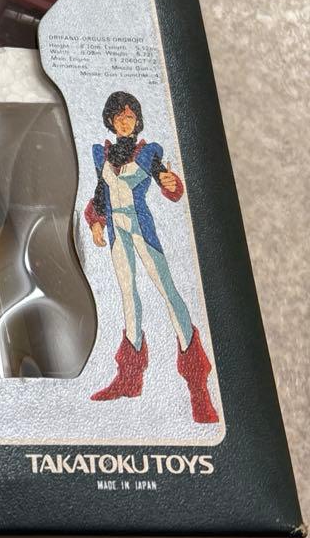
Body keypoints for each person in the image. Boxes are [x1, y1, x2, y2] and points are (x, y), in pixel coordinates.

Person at [85, 91, 219, 423]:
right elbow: (101, 191)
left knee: (168, 292)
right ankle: (129, 379)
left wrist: (169, 181)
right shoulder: (102, 153)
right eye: (118, 117)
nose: (124, 121)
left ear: (137, 121)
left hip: (141, 230)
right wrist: (96, 221)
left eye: (129, 116)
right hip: (117, 232)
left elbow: (164, 179)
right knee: (128, 297)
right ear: (111, 121)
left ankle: (198, 386)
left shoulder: (147, 152)